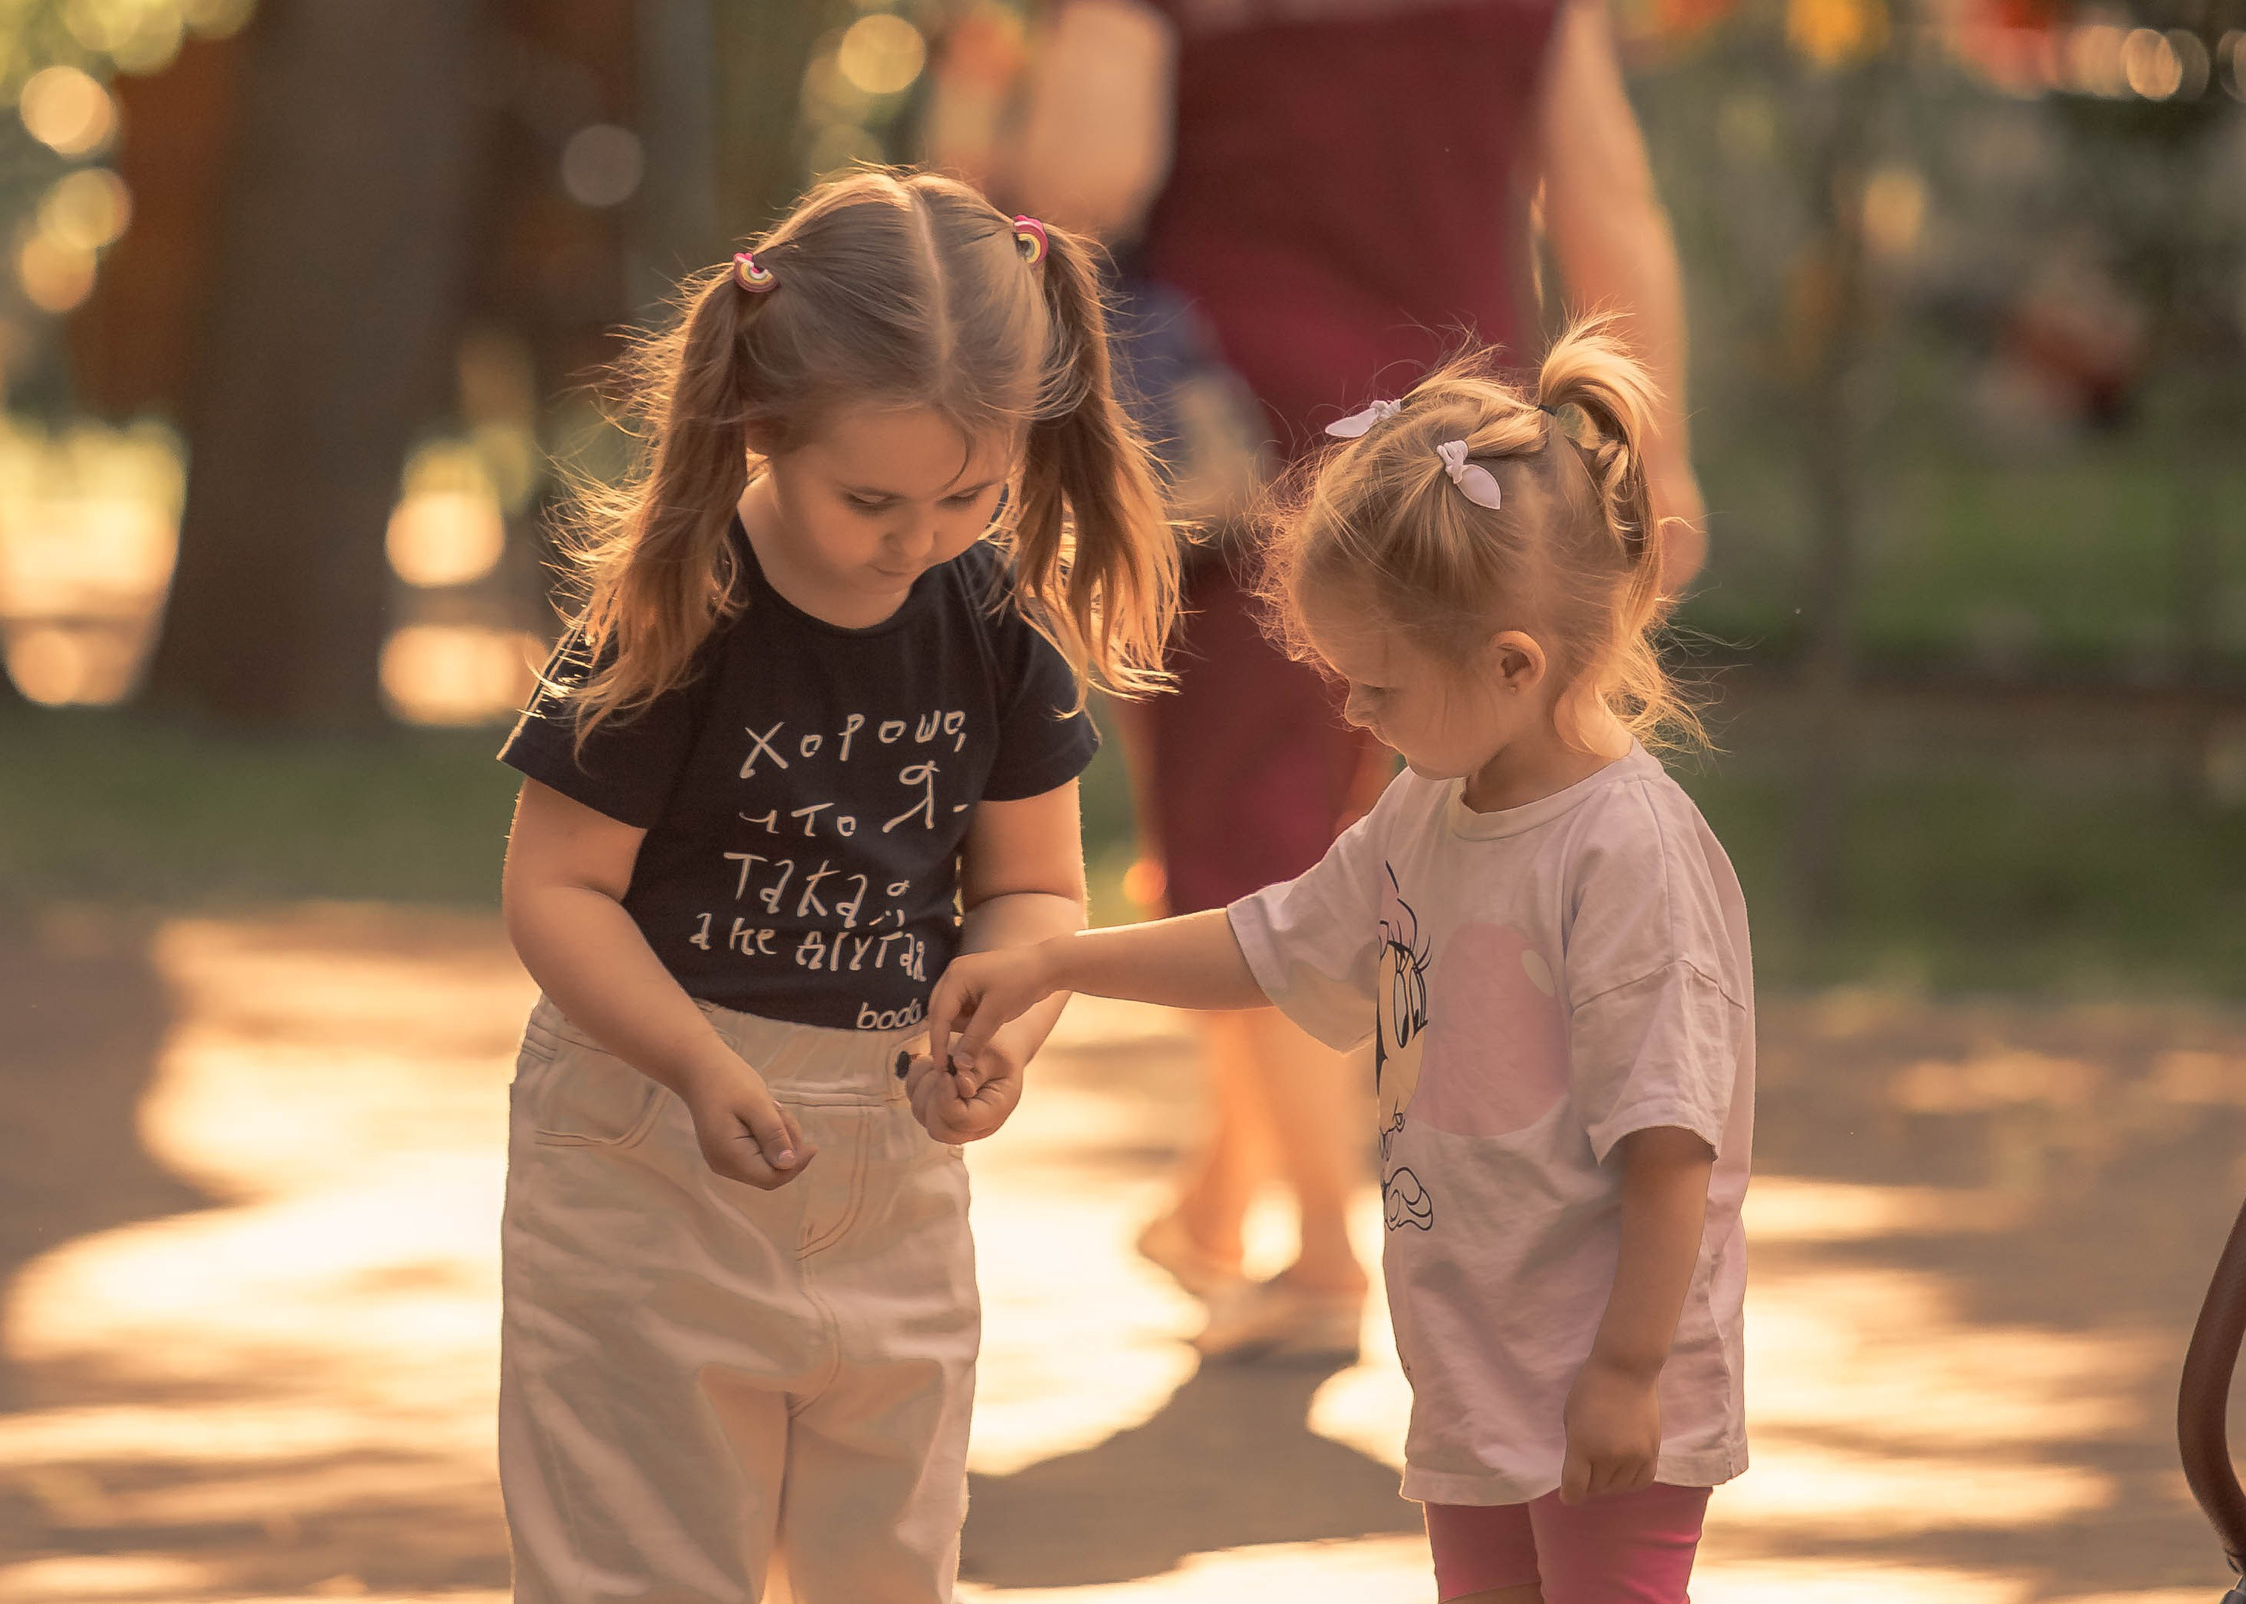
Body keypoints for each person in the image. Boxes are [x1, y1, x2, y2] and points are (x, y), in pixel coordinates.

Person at [908, 324, 1752, 1604]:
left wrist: (1629, 1371)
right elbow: (1272, 940)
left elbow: (1672, 1142)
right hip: (1472, 1368)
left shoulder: (1623, 852)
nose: (1353, 712)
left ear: (1511, 663)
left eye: (1380, 687)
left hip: (1603, 1372)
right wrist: (1054, 963)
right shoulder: (1428, 807)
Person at [492, 169, 1178, 1604]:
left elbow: (1037, 892)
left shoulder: (994, 618)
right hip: (649, 1155)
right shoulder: (677, 605)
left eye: (968, 495)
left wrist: (1002, 1033)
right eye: (869, 498)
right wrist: (694, 1063)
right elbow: (557, 886)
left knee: (886, 1569)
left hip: (892, 1166)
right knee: (638, 1564)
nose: (916, 538)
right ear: (763, 423)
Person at [1004, 0, 1708, 1359]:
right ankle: (1221, 1195)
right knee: (1361, 833)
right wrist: (1655, 458)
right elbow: (1609, 202)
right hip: (1463, 449)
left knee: (1240, 828)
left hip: (1239, 440)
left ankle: (1324, 1254)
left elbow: (1087, 178)